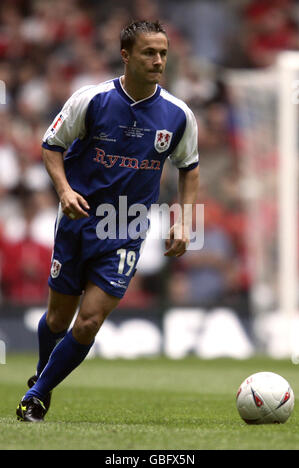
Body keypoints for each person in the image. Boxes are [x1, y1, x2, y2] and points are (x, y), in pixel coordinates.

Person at [16, 20, 199, 422]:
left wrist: (184, 221)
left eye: (163, 53)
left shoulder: (178, 115)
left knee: (89, 321)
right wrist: (64, 191)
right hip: (78, 220)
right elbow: (52, 146)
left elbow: (189, 168)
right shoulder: (92, 100)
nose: (158, 61)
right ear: (126, 55)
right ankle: (42, 382)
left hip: (126, 227)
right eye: (149, 52)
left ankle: (37, 394)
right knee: (58, 319)